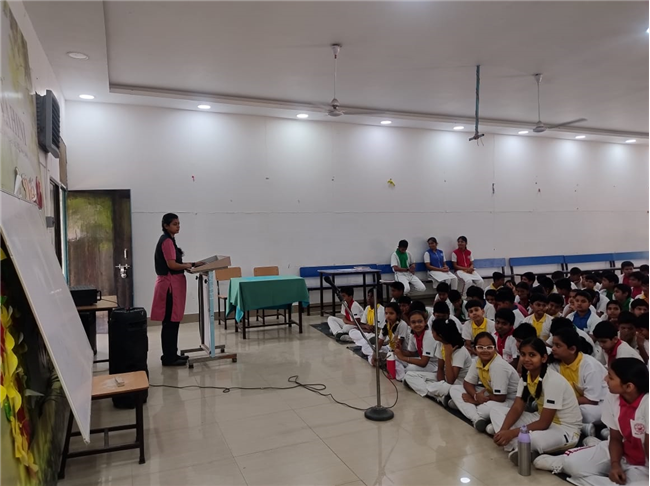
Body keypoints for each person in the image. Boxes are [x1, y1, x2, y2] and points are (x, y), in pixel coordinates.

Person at [534, 358, 649, 486]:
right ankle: (565, 462)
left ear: (628, 386)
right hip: (621, 452)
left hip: (644, 465)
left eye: (610, 378)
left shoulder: (646, 404)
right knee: (573, 465)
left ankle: (588, 474)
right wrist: (615, 464)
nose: (605, 379)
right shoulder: (613, 397)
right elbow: (615, 438)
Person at [490, 338, 582, 466]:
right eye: (523, 354)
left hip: (564, 429)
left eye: (532, 355)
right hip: (539, 417)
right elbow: (517, 407)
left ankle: (520, 446)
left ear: (543, 358)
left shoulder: (553, 381)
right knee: (496, 410)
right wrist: (504, 431)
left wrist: (511, 433)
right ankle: (519, 446)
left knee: (533, 439)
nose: (526, 359)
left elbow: (544, 423)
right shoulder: (526, 377)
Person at [151, 213, 203, 367]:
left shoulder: (170, 239)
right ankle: (169, 357)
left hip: (172, 284)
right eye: (174, 224)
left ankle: (172, 354)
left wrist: (193, 264)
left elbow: (175, 262)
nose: (178, 226)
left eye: (179, 223)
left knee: (172, 322)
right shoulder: (166, 241)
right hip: (170, 286)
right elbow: (172, 265)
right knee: (170, 322)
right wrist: (189, 265)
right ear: (166, 226)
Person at [450, 332, 520, 432]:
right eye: (480, 347)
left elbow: (501, 397)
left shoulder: (498, 366)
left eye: (489, 347)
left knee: (483, 410)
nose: (485, 351)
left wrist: (477, 400)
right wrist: (475, 396)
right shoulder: (477, 360)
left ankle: (468, 409)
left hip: (509, 400)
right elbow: (467, 383)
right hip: (490, 394)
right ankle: (477, 419)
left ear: (495, 349)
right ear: (475, 349)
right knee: (455, 389)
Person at [550, 328, 608, 432]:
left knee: (583, 412)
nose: (553, 348)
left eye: (558, 346)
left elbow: (591, 400)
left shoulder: (590, 366)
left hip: (599, 403)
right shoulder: (555, 364)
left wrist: (563, 402)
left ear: (572, 349)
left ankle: (581, 426)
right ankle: (583, 426)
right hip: (572, 401)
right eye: (553, 344)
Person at [416, 318, 473, 405]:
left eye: (433, 331)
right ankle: (439, 396)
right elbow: (440, 368)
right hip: (445, 379)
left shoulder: (460, 350)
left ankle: (434, 392)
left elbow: (451, 380)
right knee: (410, 376)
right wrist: (441, 383)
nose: (432, 333)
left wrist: (447, 355)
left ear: (439, 334)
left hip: (459, 383)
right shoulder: (440, 344)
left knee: (443, 387)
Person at [397, 310, 438, 382]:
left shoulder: (429, 336)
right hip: (422, 359)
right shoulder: (413, 334)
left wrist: (403, 358)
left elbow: (423, 363)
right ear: (409, 324)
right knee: (394, 357)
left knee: (409, 369)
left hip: (434, 365)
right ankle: (404, 376)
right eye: (413, 322)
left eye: (420, 321)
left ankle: (404, 377)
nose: (417, 324)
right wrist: (400, 350)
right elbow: (411, 353)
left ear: (425, 322)